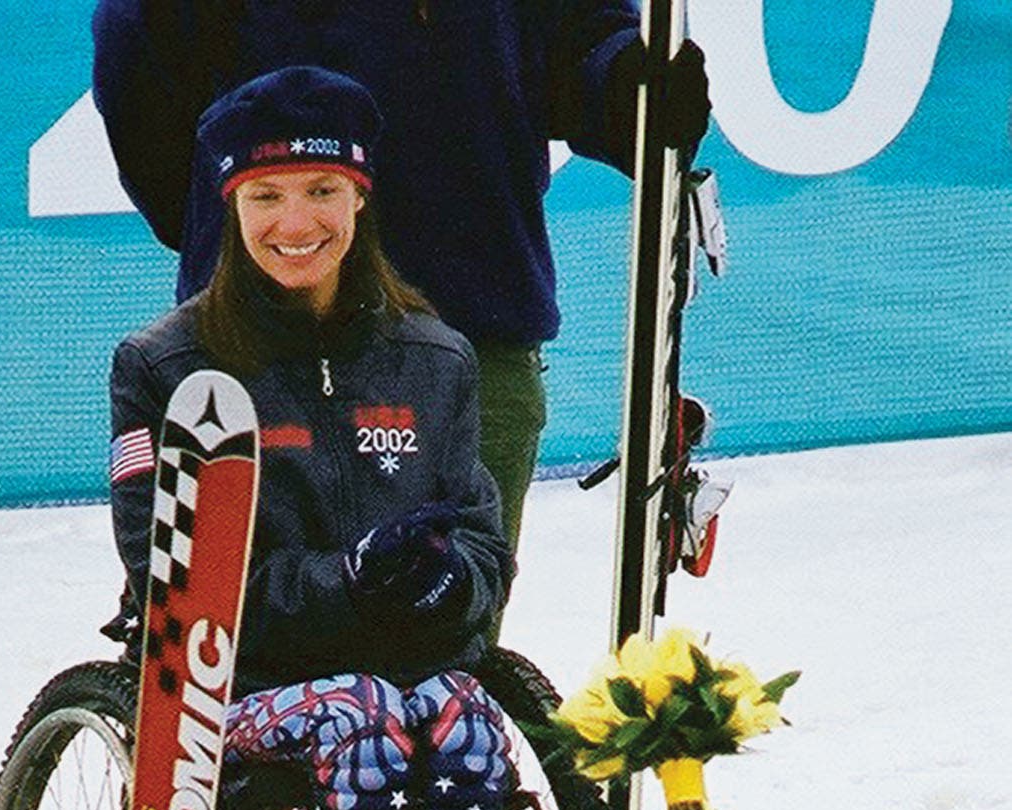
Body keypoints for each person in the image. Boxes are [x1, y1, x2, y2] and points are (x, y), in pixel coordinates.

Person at [112, 62, 515, 810]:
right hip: (235, 689)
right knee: (365, 717)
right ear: (231, 206)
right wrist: (345, 582)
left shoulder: (435, 358)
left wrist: (442, 583)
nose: (296, 223)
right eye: (267, 197)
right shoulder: (166, 368)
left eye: (322, 190)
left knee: (468, 726)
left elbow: (481, 546)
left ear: (360, 198)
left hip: (407, 674)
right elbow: (162, 572)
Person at [92, 0, 713, 555]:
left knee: (445, 617)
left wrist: (625, 86)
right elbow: (137, 52)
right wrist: (223, 219)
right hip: (263, 342)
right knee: (247, 622)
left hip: (471, 326)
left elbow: (578, 38)